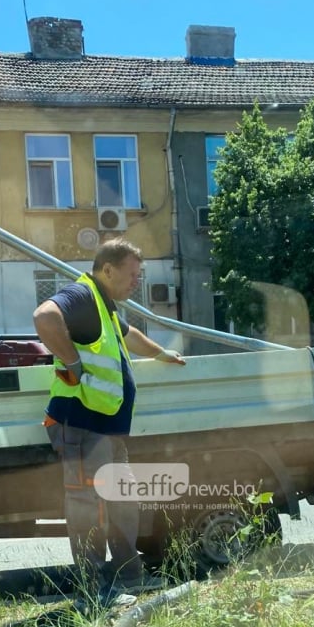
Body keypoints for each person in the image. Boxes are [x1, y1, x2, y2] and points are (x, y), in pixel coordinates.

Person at [33, 238, 186, 602]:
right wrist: (73, 363)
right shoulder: (82, 296)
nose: (137, 281)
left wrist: (162, 353)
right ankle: (93, 591)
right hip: (82, 426)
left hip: (106, 429)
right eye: (132, 275)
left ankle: (128, 577)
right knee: (90, 507)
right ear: (108, 270)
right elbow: (44, 317)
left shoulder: (104, 307)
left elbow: (127, 334)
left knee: (121, 500)